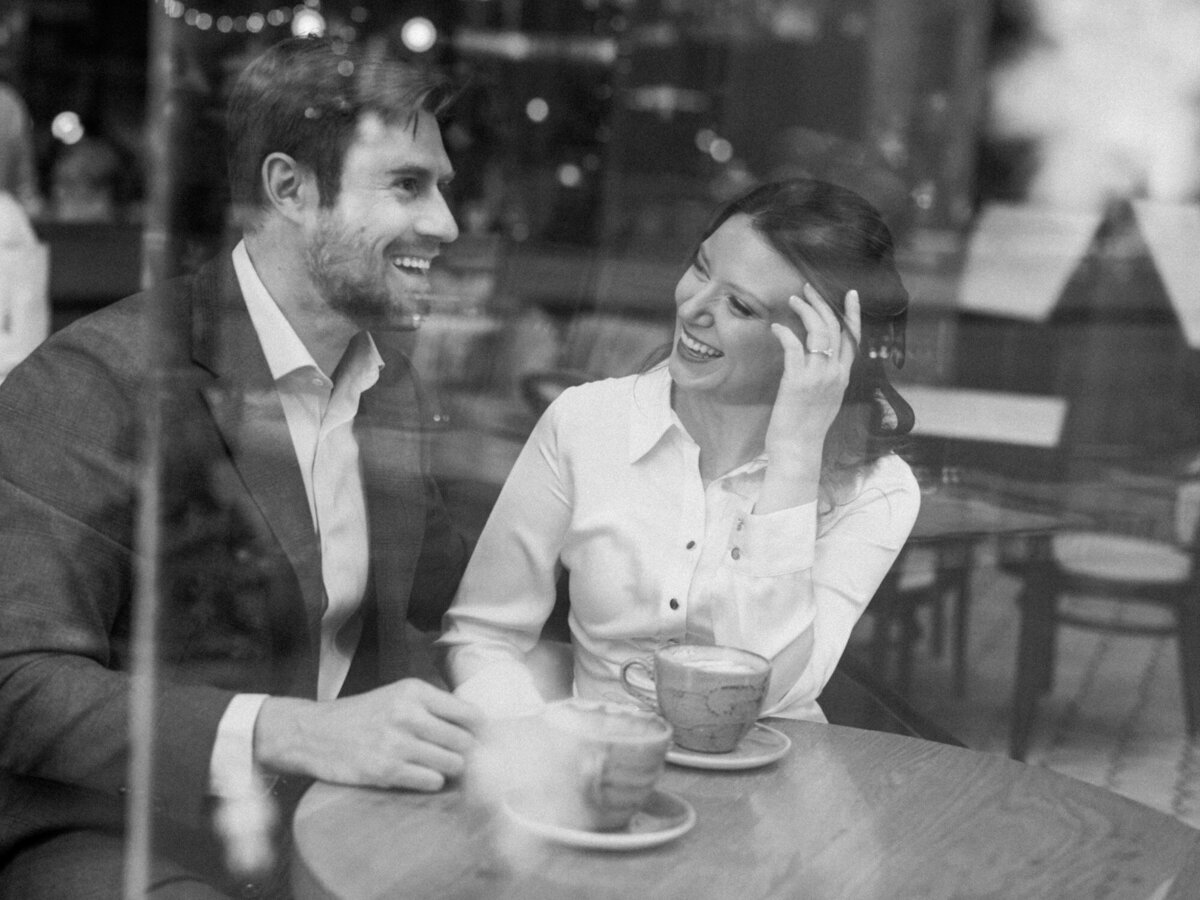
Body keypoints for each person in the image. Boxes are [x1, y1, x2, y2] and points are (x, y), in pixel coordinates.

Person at [0, 36, 482, 898]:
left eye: (441, 187)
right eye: (408, 185)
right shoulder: (95, 380)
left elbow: (442, 604)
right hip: (125, 833)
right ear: (289, 188)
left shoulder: (387, 384)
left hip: (332, 818)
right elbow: (17, 682)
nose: (445, 223)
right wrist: (291, 733)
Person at [439, 178, 920, 722]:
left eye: (739, 305)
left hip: (772, 788)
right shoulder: (584, 423)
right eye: (700, 266)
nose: (693, 306)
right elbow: (486, 633)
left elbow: (775, 689)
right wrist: (531, 747)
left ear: (818, 345)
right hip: (594, 771)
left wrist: (795, 456)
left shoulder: (878, 490)